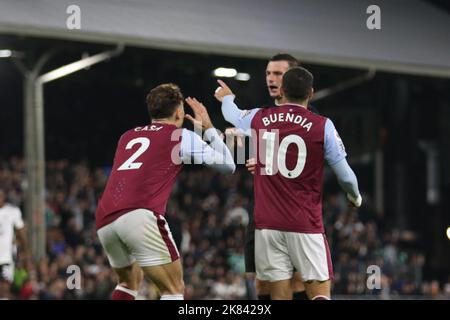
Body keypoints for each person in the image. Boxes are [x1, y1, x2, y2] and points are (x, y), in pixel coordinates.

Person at [215, 67, 362, 300]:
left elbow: (231, 115)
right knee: (320, 294)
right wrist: (355, 198)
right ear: (311, 93)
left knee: (279, 296)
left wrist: (227, 98)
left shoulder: (259, 117)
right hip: (305, 224)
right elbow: (346, 177)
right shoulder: (323, 125)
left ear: (281, 91)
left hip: (267, 226)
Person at [96, 83, 235, 300]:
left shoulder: (127, 136)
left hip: (105, 217)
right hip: (139, 214)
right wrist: (208, 128)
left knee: (127, 283)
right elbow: (228, 166)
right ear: (179, 112)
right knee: (173, 290)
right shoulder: (179, 136)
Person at [228, 53, 311, 300]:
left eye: (278, 74)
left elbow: (310, 161)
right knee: (261, 283)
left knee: (296, 281)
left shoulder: (308, 115)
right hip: (261, 211)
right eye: (268, 73)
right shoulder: (262, 115)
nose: (271, 79)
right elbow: (246, 146)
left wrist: (267, 161)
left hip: (295, 213)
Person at [0, 188, 32, 299]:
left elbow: (21, 233)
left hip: (6, 257)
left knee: (4, 285)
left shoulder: (12, 211)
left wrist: (26, 250)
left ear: (3, 197)